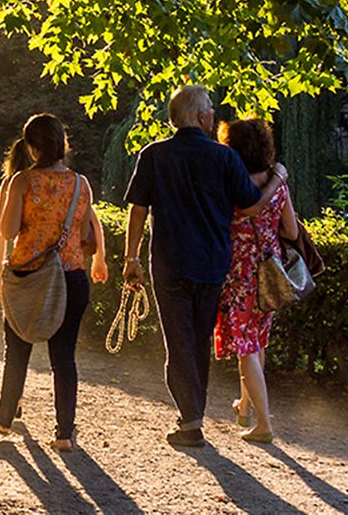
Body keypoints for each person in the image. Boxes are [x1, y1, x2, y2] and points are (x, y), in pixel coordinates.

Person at [121, 85, 285, 448]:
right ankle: (191, 417)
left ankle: (191, 420)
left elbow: (137, 210)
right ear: (200, 117)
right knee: (197, 343)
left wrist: (131, 258)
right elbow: (253, 205)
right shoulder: (224, 159)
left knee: (178, 343)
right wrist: (279, 178)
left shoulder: (153, 155)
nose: (214, 114)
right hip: (213, 264)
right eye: (210, 108)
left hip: (168, 262)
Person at [0, 114, 107, 452]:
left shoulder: (22, 181)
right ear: (63, 143)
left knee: (17, 350)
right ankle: (64, 433)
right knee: (64, 357)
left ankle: (5, 416)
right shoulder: (81, 183)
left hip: (29, 276)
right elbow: (84, 234)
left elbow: (7, 232)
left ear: (31, 147)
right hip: (72, 277)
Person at [217, 118, 297, 444]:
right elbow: (291, 231)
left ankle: (264, 423)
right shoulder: (278, 186)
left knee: (245, 346)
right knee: (256, 341)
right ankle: (244, 407)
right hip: (269, 272)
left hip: (238, 273)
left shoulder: (229, 184)